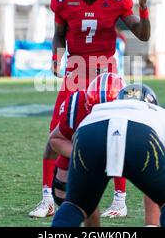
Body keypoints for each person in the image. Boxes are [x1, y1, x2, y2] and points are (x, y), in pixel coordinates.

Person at [29, 0, 150, 218]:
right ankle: (48, 197)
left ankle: (120, 199)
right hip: (75, 70)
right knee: (56, 133)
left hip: (106, 72)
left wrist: (143, 9)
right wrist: (56, 58)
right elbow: (59, 33)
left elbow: (142, 35)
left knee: (115, 130)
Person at [50, 78, 165, 227]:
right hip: (140, 136)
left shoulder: (98, 110)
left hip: (90, 132)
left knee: (76, 205)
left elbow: (57, 139)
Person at [50, 72, 127, 226]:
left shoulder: (138, 117)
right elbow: (55, 139)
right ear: (87, 105)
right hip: (85, 149)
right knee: (65, 193)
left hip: (124, 149)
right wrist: (83, 155)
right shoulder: (77, 106)